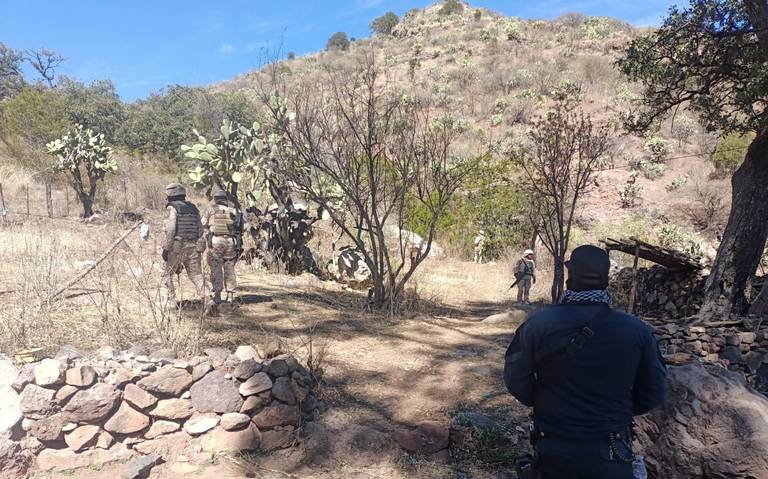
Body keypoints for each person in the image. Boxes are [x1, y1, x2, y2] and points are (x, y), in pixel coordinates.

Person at [504, 245, 667, 479]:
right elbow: (655, 390)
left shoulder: (537, 325)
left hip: (553, 445)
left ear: (570, 278)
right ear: (605, 280)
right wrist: (616, 411)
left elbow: (515, 379)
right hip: (613, 449)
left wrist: (543, 400)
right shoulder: (636, 330)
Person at [162, 183, 208, 308]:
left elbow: (170, 229)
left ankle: (171, 301)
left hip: (177, 247)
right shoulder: (193, 208)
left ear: (171, 195)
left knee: (167, 274)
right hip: (194, 246)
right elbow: (200, 229)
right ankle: (208, 299)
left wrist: (167, 248)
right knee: (196, 275)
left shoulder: (172, 208)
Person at [201, 188, 242, 305]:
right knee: (229, 268)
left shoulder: (211, 210)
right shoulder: (233, 210)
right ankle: (230, 296)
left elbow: (203, 223)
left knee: (216, 267)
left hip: (216, 241)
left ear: (215, 199)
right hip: (231, 241)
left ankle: (218, 295)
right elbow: (241, 227)